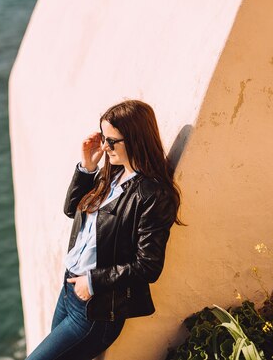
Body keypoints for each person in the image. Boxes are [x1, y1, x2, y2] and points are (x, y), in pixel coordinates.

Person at [25, 99, 183, 360]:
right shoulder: (110, 175)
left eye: (112, 141)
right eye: (104, 139)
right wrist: (87, 167)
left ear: (135, 139)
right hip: (69, 291)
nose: (106, 147)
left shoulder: (153, 195)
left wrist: (92, 281)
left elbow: (149, 266)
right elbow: (71, 210)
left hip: (96, 310)